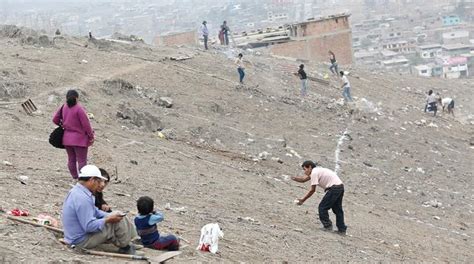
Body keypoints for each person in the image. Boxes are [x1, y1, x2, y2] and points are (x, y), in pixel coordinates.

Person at [62, 165, 137, 254]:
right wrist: (108, 219)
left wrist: (110, 215)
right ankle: (125, 247)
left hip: (73, 236)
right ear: (92, 180)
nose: (100, 185)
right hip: (80, 241)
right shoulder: (82, 198)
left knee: (118, 215)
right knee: (116, 223)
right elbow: (89, 226)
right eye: (98, 181)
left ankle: (129, 241)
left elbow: (95, 211)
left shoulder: (77, 191)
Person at [292, 161, 347, 235]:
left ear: (310, 167)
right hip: (340, 187)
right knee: (338, 209)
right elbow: (303, 180)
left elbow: (312, 190)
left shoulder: (314, 173)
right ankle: (342, 229)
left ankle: (327, 226)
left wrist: (303, 200)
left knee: (322, 207)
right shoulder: (317, 170)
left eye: (305, 169)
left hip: (334, 188)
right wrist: (294, 178)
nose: (305, 172)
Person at [53, 89, 94, 179]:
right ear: (77, 98)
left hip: (67, 139)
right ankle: (83, 179)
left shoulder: (63, 107)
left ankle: (75, 177)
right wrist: (91, 135)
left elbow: (55, 119)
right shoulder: (79, 109)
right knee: (82, 161)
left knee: (71, 159)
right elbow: (86, 124)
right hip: (80, 140)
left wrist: (63, 124)